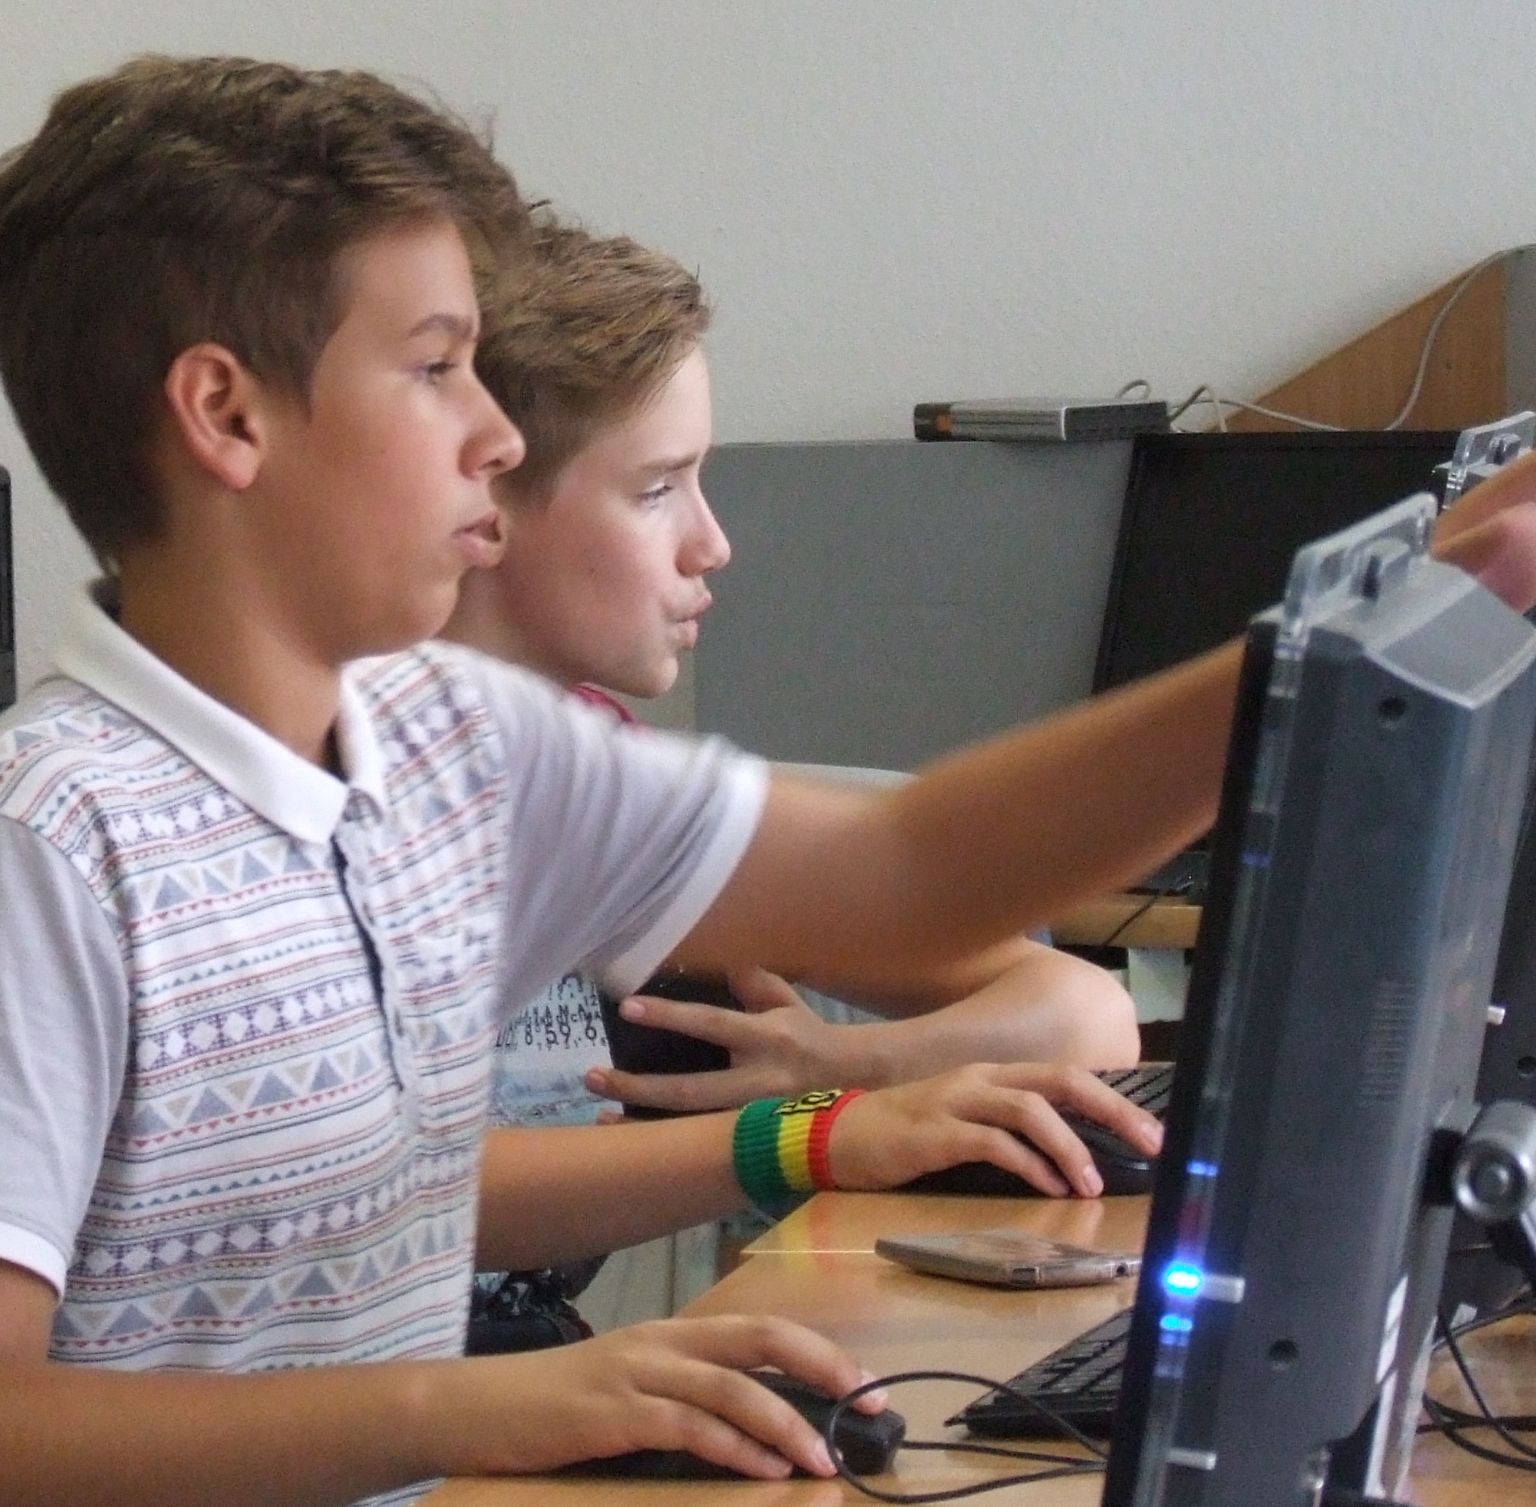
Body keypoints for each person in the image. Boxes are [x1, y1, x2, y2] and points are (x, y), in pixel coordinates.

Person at [0, 54, 1536, 1507]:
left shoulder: (448, 747)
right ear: (225, 415)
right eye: (436, 366)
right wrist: (468, 1407)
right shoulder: (39, 841)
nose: (493, 431)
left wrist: (1331, 658)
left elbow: (916, 874)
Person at [440, 219, 1137, 1173]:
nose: (712, 544)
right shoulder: (370, 770)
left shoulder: (601, 775)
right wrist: (807, 1137)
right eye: (656, 489)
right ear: (485, 501)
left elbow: (1088, 1017)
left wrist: (843, 1067)